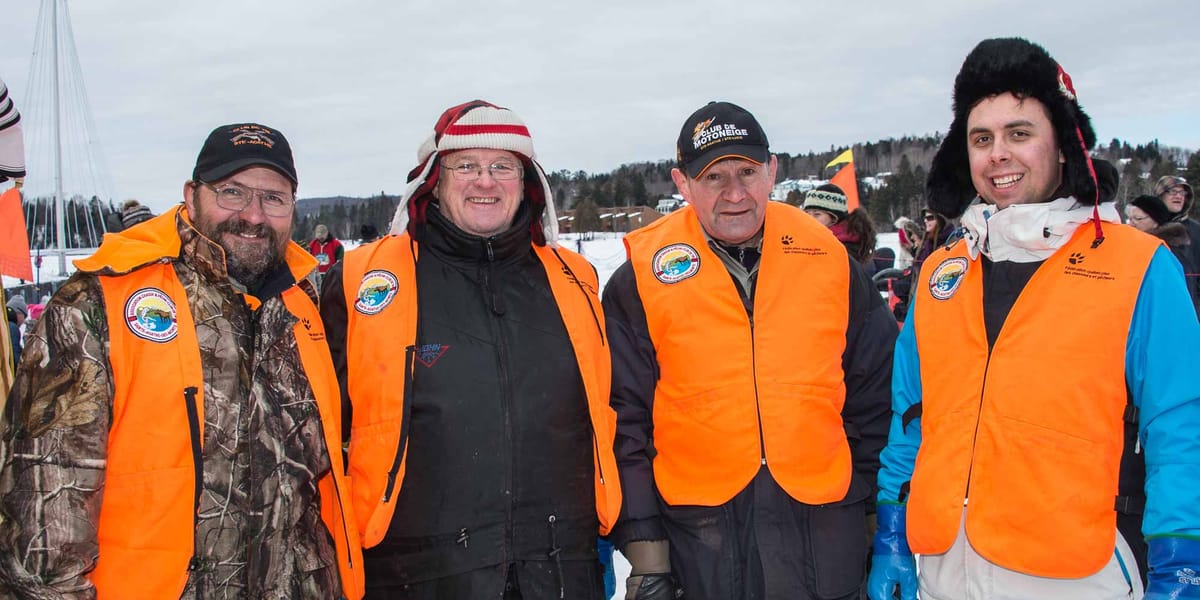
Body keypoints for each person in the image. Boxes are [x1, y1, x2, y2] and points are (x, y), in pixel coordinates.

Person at [867, 38, 1200, 600]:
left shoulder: (1139, 265)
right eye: (981, 139)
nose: (998, 154)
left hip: (1082, 576)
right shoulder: (943, 272)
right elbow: (911, 415)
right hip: (945, 573)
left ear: (1064, 146)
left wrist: (1182, 556)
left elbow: (1180, 423)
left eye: (1019, 133)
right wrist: (892, 530)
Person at [0, 122, 364, 599]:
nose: (253, 215)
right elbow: (45, 523)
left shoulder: (301, 305)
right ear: (192, 196)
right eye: (232, 192)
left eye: (273, 198)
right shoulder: (97, 306)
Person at [320, 100, 621, 599]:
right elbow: (318, 432)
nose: (486, 181)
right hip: (414, 576)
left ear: (526, 182)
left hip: (560, 571)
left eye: (503, 166)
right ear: (434, 182)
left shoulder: (575, 279)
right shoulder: (360, 281)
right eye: (466, 166)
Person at [603, 100, 897, 600]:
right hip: (703, 547)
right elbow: (624, 422)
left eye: (747, 172)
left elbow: (876, 398)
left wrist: (879, 526)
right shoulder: (642, 280)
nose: (735, 193)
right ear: (682, 183)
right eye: (714, 177)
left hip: (828, 541)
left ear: (772, 170)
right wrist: (647, 553)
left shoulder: (830, 262)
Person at [1128, 194, 1199, 316]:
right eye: (1130, 219)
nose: (1131, 224)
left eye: (1138, 219)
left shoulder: (1168, 252)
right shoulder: (1136, 246)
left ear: (1156, 222)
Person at [802, 183, 879, 268]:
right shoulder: (810, 240)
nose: (810, 218)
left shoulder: (845, 248)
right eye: (807, 213)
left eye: (817, 214)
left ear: (834, 218)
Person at [1157, 175, 1200, 300]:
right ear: (1160, 194)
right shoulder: (1146, 225)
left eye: (1182, 193)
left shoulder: (1196, 230)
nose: (1179, 196)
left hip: (1189, 300)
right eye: (1173, 191)